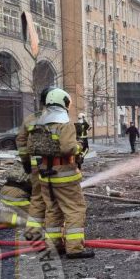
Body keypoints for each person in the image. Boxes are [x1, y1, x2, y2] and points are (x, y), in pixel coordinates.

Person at [29, 88, 93, 259]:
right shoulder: (64, 125)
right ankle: (74, 248)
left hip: (45, 175)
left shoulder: (39, 124)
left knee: (53, 210)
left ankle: (53, 245)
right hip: (65, 175)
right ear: (63, 103)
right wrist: (79, 146)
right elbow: (68, 148)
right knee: (75, 209)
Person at [16, 86, 56, 242]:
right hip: (55, 167)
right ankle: (55, 237)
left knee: (37, 198)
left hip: (35, 166)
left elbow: (20, 141)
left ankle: (32, 233)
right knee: (55, 200)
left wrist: (25, 161)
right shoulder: (59, 119)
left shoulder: (31, 119)